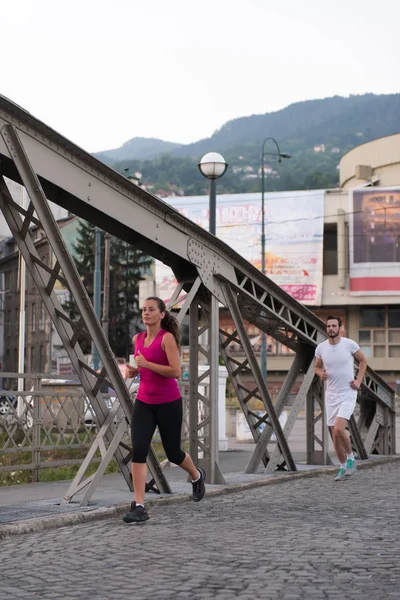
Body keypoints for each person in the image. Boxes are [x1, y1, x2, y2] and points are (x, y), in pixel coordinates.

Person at [121, 296, 206, 523]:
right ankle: (139, 505)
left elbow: (175, 371)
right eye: (144, 310)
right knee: (139, 449)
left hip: (168, 402)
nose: (146, 313)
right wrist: (134, 372)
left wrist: (146, 365)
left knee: (173, 453)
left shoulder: (166, 339)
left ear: (161, 314)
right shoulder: (137, 339)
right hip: (144, 403)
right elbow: (143, 368)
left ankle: (196, 476)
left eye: (151, 309)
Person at [314, 315, 368, 481]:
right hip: (331, 394)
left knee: (339, 428)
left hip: (348, 392)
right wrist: (320, 373)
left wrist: (358, 380)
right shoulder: (321, 348)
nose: (330, 328)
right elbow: (317, 366)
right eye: (328, 326)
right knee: (335, 435)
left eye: (334, 326)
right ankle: (343, 467)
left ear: (340, 328)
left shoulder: (349, 344)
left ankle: (351, 459)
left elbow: (363, 360)